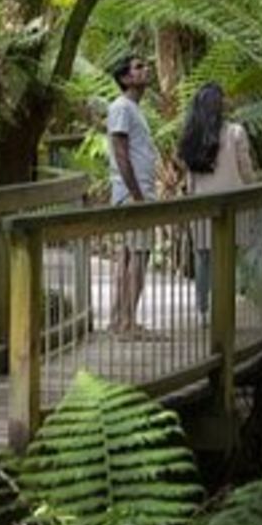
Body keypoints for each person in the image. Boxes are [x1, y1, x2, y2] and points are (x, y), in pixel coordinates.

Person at [177, 82, 256, 322]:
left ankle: (203, 311)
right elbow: (246, 170)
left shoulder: (192, 137)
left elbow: (190, 179)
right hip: (232, 204)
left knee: (203, 257)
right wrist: (254, 187)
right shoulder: (235, 132)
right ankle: (223, 308)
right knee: (227, 257)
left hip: (202, 204)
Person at [107, 54, 158, 336]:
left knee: (128, 256)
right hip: (133, 193)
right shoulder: (122, 107)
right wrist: (137, 194)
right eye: (139, 67)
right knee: (138, 255)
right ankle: (127, 323)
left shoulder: (133, 108)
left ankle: (119, 319)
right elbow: (120, 152)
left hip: (137, 192)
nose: (145, 69)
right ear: (125, 78)